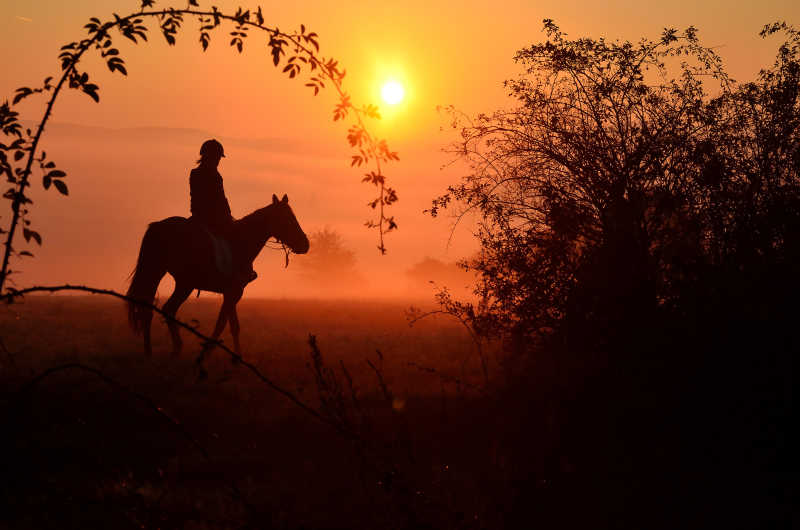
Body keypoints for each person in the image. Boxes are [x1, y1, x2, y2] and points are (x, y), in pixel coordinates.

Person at [189, 139, 257, 284]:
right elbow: (220, 199)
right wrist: (228, 217)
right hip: (213, 219)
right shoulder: (215, 175)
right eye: (218, 157)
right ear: (213, 157)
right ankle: (237, 273)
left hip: (197, 216)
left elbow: (195, 198)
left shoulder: (194, 173)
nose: (219, 161)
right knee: (236, 237)